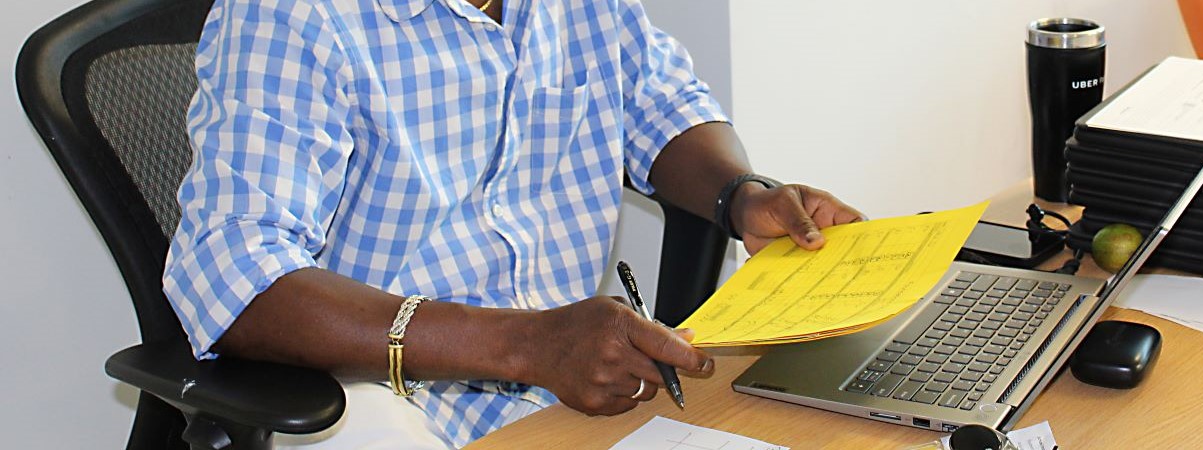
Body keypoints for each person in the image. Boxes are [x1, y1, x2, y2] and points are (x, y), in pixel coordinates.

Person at [161, 0, 864, 447]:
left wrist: (742, 194)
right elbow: (235, 276)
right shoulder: (290, 15)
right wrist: (528, 343)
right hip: (371, 392)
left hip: (572, 391)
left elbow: (664, 105)